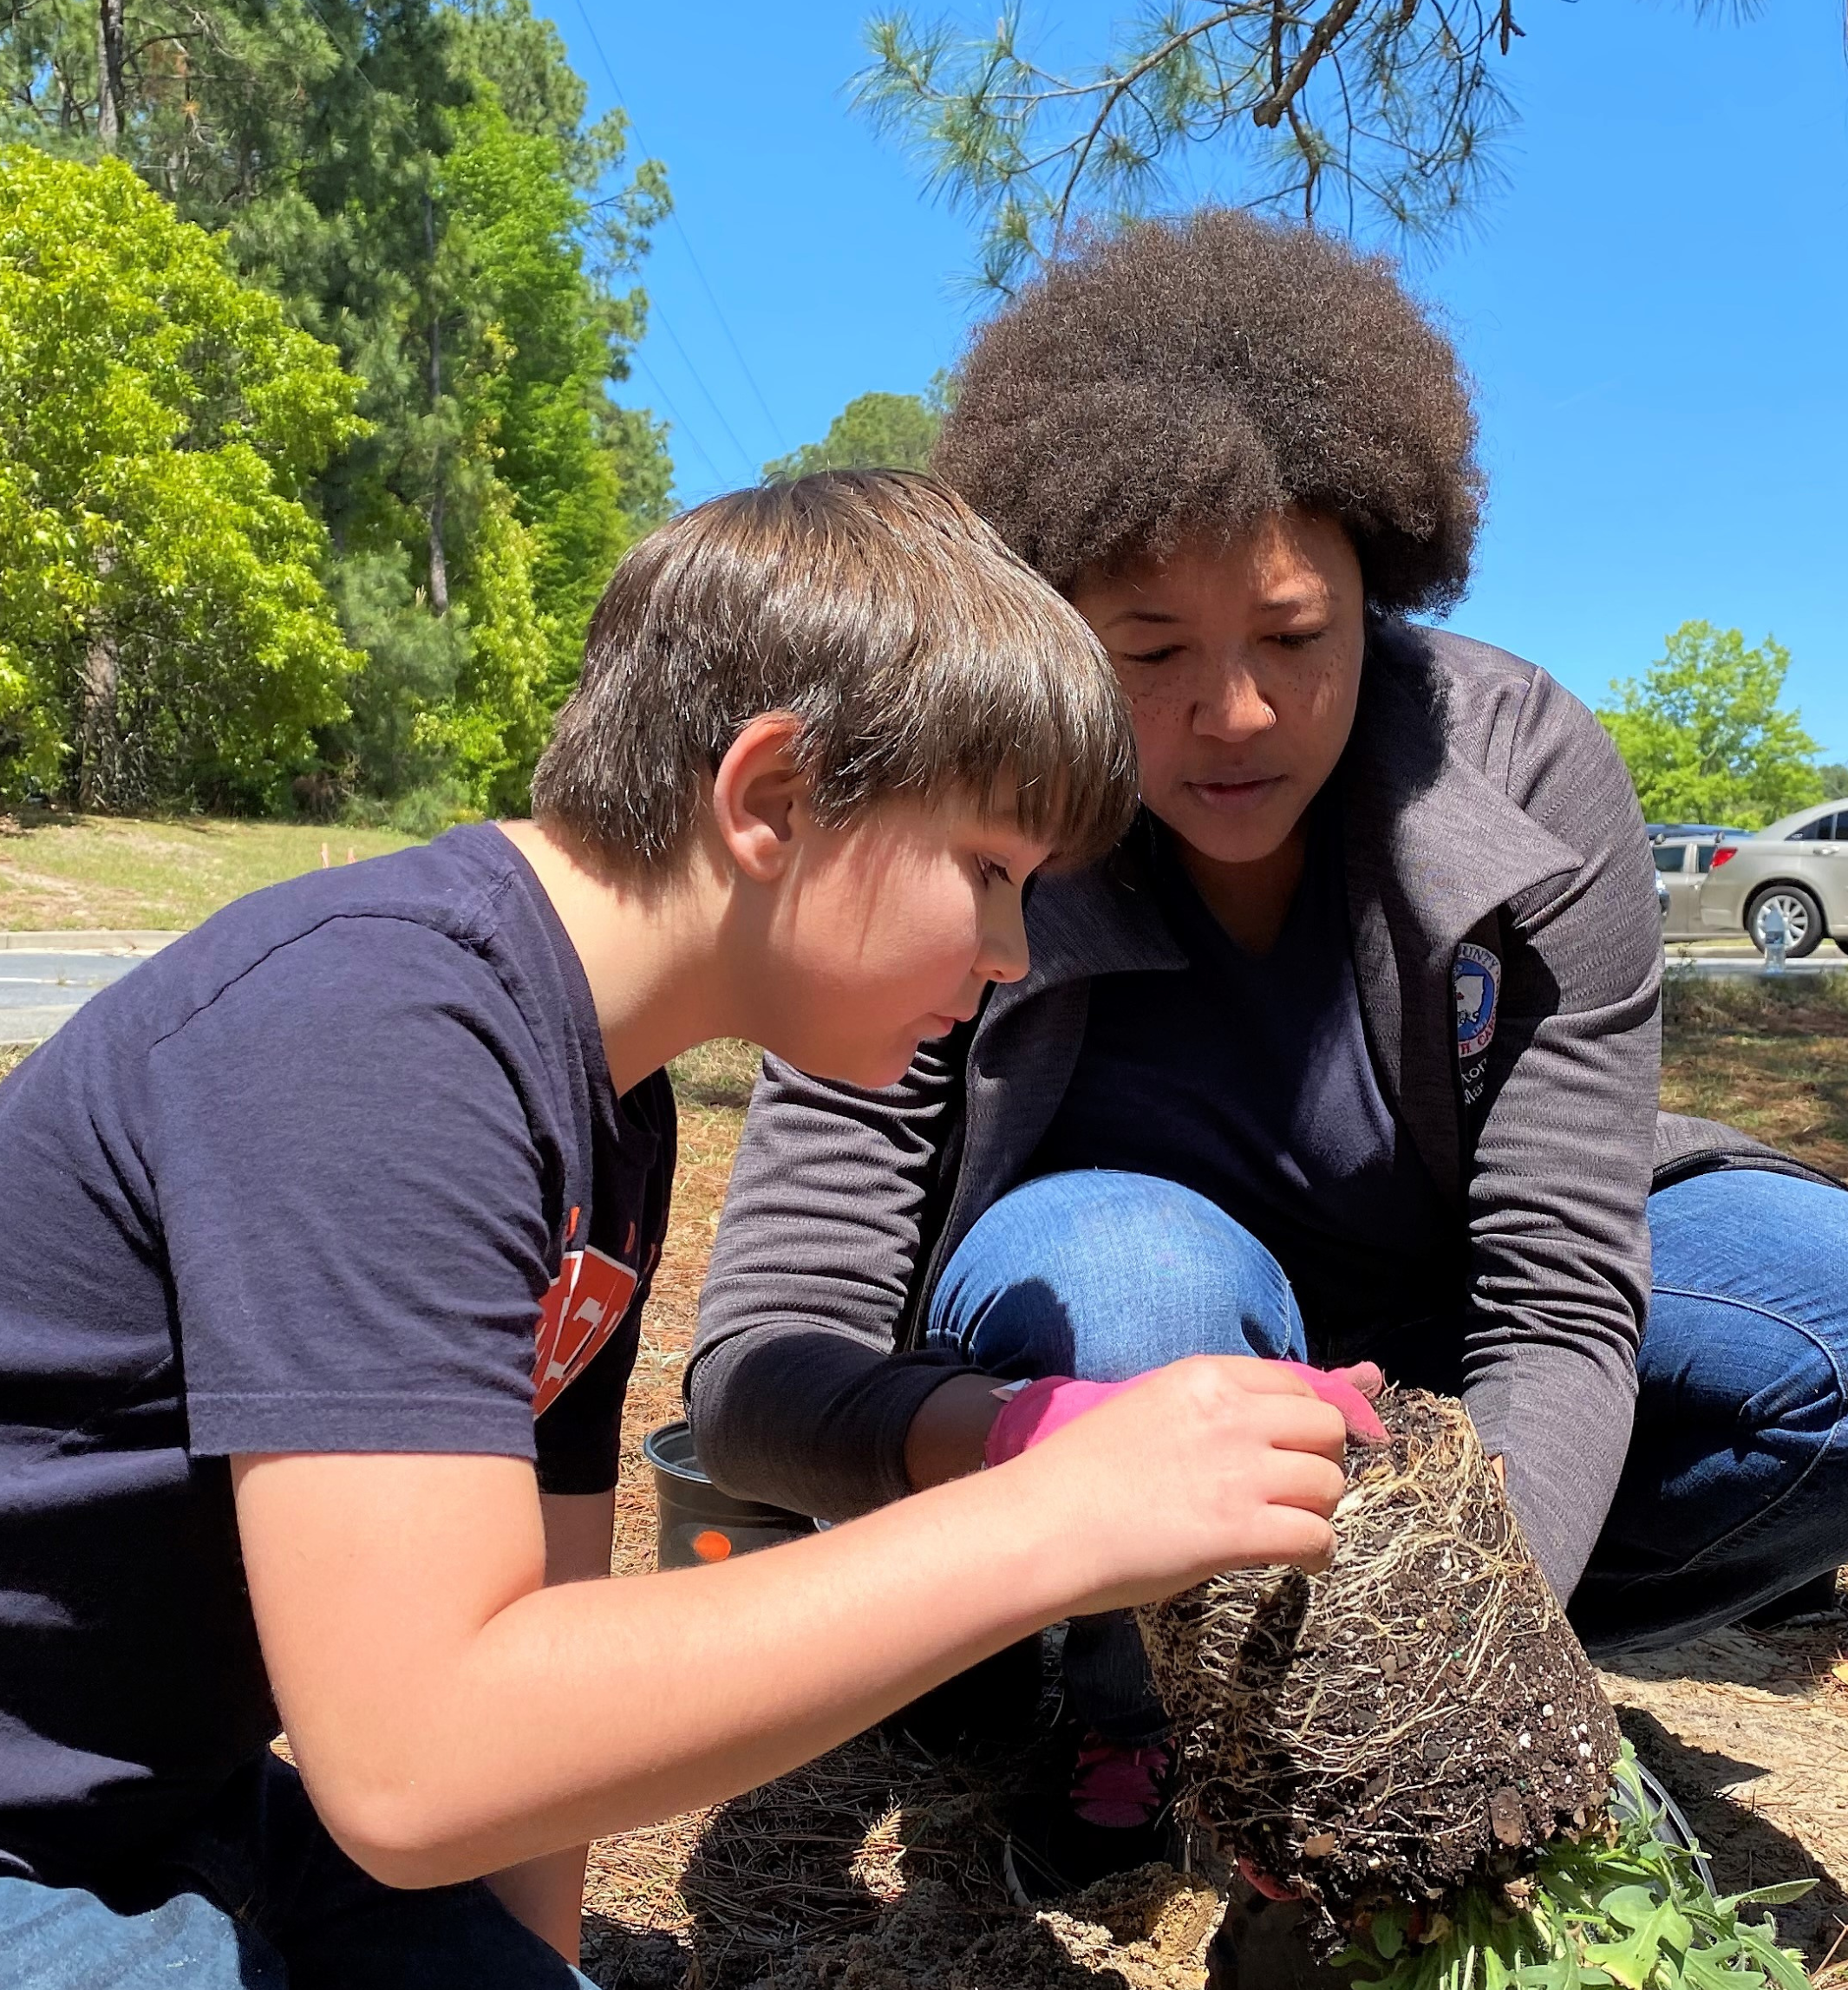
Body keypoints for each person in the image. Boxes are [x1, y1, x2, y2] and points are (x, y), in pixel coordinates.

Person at [0, 473, 1360, 1988]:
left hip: (132, 1802)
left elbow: (545, 1621)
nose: (1007, 953)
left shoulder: (603, 1101)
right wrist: (1054, 1519)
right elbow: (419, 1758)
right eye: (986, 868)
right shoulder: (382, 1032)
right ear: (773, 798)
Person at [687, 216, 1848, 1906]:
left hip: (1436, 1346)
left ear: (1384, 580)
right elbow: (758, 1372)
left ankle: (1418, 1683)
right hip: (1117, 1353)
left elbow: (1557, 1301)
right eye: (1150, 652)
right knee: (1132, 1282)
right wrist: (1057, 1445)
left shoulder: (1529, 768)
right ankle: (1128, 1706)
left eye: (1294, 636)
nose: (1234, 711)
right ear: (1051, 630)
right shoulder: (935, 820)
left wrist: (1453, 1654)